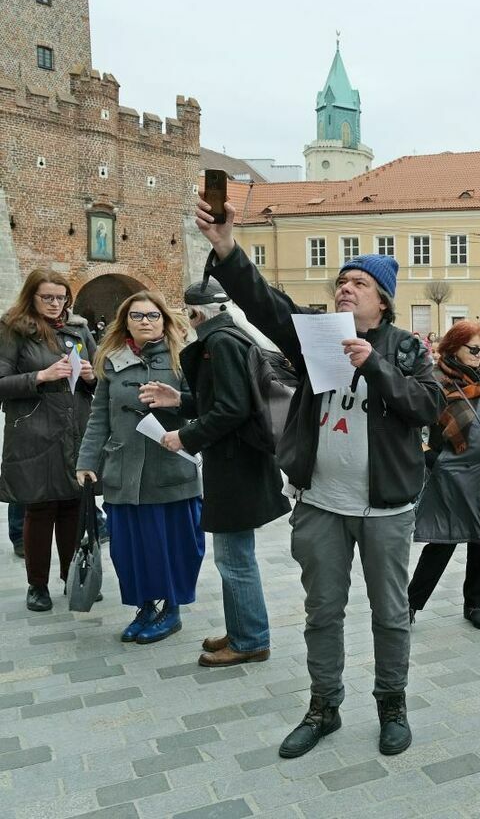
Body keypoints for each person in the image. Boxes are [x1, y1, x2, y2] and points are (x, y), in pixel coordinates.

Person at [195, 197, 445, 759]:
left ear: (383, 299)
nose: (345, 289)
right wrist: (227, 248)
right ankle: (323, 706)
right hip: (321, 504)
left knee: (390, 614)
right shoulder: (317, 339)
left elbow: (426, 408)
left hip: (384, 510)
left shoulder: (405, 347)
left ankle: (391, 705)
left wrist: (372, 365)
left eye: (358, 282)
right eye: (341, 281)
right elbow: (266, 305)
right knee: (323, 610)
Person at [139, 281, 289, 666]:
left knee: (234, 559)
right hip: (241, 464)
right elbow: (224, 400)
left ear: (195, 314)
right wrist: (181, 400)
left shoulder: (219, 342)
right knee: (236, 556)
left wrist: (183, 436)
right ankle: (243, 627)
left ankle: (250, 639)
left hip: (236, 467)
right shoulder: (230, 335)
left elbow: (232, 410)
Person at [76, 291, 202, 642]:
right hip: (124, 471)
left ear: (164, 320)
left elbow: (206, 408)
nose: (145, 321)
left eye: (152, 315)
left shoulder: (183, 358)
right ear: (125, 321)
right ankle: (145, 606)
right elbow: (99, 417)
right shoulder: (112, 359)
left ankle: (171, 609)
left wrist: (177, 405)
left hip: (170, 469)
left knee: (172, 545)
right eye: (137, 316)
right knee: (129, 548)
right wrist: (87, 462)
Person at [410, 321, 480, 631]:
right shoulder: (435, 381)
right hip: (452, 474)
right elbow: (412, 429)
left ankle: (475, 604)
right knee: (442, 541)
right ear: (452, 349)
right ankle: (409, 605)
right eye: (473, 349)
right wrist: (434, 460)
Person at [0, 270, 97, 611]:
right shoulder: (13, 330)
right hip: (34, 431)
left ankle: (71, 577)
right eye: (48, 298)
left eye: (61, 298)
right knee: (40, 508)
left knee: (73, 505)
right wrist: (40, 376)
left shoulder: (79, 328)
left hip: (75, 429)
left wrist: (91, 375)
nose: (56, 304)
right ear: (32, 297)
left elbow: (100, 379)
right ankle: (36, 585)